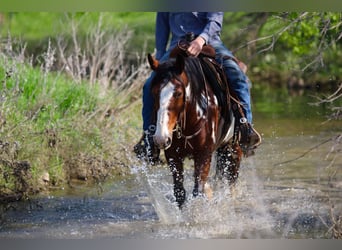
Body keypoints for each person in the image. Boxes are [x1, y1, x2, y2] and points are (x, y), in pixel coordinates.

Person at [134, 12, 261, 164]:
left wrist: (201, 40)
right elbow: (162, 26)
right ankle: (149, 136)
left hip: (210, 43)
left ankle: (244, 127)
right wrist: (161, 56)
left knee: (237, 77)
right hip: (177, 45)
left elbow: (215, 20)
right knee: (149, 85)